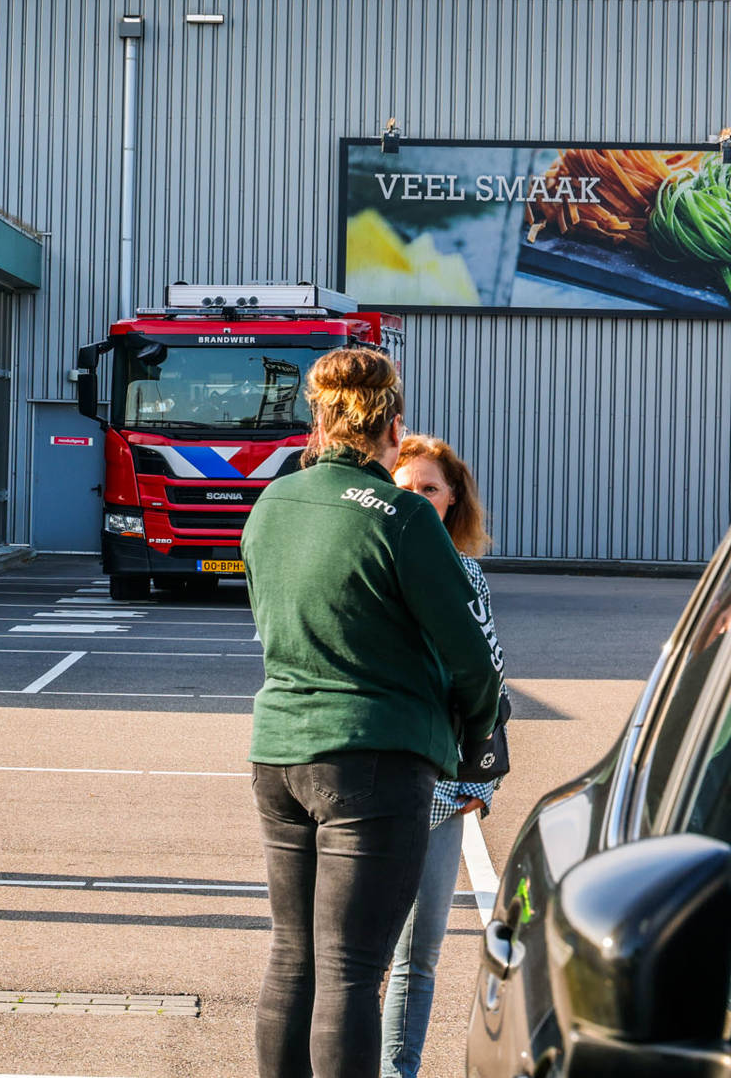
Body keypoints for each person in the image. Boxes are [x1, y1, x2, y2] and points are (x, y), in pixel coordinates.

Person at [240, 348, 504, 1078]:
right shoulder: (403, 516)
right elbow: (470, 656)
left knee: (294, 955)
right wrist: (478, 727)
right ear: (392, 422)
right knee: (353, 972)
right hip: (376, 761)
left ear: (318, 419)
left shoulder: (272, 504)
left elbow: (274, 621)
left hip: (279, 752)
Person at [381, 433, 509, 1078]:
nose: (417, 501)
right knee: (351, 955)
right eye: (404, 489)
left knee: (418, 954)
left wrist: (484, 770)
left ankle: (396, 1071)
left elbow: (490, 676)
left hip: (446, 784)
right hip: (378, 776)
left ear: (453, 499)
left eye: (429, 489)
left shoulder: (470, 576)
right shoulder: (375, 563)